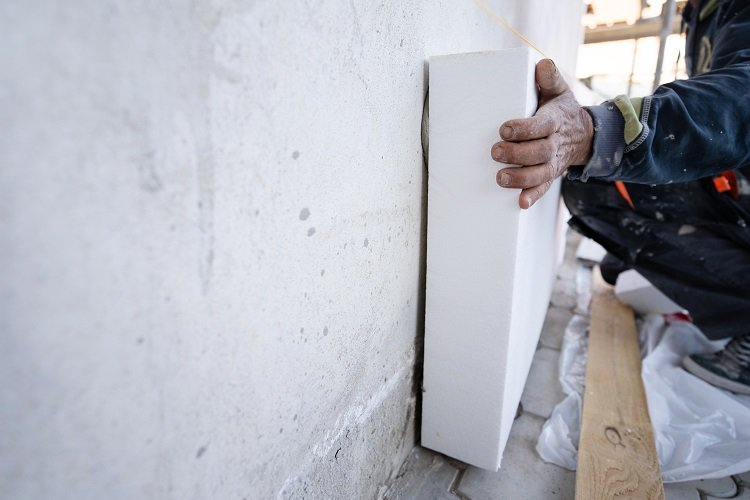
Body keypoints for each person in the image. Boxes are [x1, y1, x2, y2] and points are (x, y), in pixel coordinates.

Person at [491, 0, 750, 394]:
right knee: (594, 184)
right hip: (737, 192)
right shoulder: (701, 10)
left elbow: (740, 101)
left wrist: (600, 132)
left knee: (604, 160)